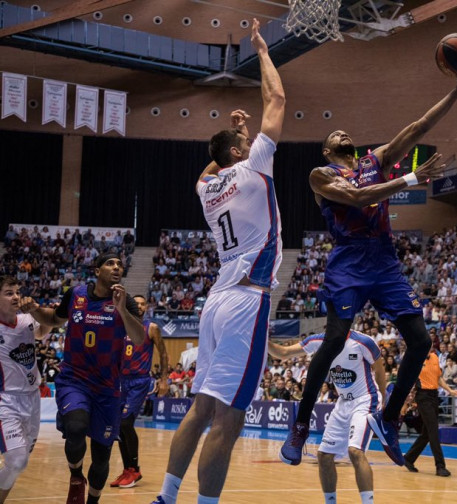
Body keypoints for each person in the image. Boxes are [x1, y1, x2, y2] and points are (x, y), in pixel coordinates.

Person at [282, 56, 457, 467]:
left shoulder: (376, 161)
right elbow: (357, 198)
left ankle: (387, 420)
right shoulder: (321, 175)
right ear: (326, 149)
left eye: (345, 132)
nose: (341, 132)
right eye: (333, 134)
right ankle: (301, 424)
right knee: (335, 339)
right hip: (349, 261)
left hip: (384, 261)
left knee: (422, 341)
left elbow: (419, 126)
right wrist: (410, 178)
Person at [152, 19, 286, 504]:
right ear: (237, 153)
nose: (252, 146)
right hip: (247, 300)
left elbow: (207, 168)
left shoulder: (208, 190)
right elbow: (277, 101)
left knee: (200, 409)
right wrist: (262, 50)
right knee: (230, 418)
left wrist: (231, 138)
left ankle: (166, 497)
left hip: (215, 301)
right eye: (243, 146)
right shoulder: (252, 169)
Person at [19, 254, 144, 504]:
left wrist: (121, 309)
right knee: (75, 428)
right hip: (75, 379)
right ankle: (76, 477)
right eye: (110, 263)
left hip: (107, 387)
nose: (117, 267)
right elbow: (54, 320)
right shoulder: (77, 294)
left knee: (101, 457)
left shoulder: (125, 301)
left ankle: (93, 501)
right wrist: (34, 310)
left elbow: (139, 338)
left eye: (120, 264)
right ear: (97, 270)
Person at [268, 330, 385, 504]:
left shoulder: (362, 341)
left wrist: (384, 406)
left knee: (355, 451)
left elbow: (380, 370)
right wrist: (260, 334)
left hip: (366, 399)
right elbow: (283, 353)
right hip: (343, 403)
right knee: (324, 456)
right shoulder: (319, 340)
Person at [109, 295, 169, 489]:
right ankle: (127, 470)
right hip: (120, 381)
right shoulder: (120, 327)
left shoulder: (151, 328)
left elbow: (164, 353)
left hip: (139, 381)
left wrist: (164, 379)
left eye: (144, 304)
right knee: (118, 427)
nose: (140, 306)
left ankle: (134, 469)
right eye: (137, 303)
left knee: (126, 422)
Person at [0, 277, 51, 503]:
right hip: (6, 401)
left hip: (33, 399)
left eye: (17, 292)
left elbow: (43, 332)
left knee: (20, 462)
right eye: (8, 293)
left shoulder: (27, 319)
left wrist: (39, 311)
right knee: (17, 459)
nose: (16, 297)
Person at [403, 346, 457, 476]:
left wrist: (451, 391)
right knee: (433, 431)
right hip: (422, 397)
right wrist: (406, 403)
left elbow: (438, 377)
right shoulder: (415, 361)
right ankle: (440, 466)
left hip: (433, 396)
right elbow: (409, 383)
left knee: (426, 433)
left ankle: (408, 458)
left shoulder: (435, 357)